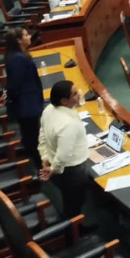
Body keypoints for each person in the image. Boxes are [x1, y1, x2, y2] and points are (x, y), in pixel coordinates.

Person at [38, 80, 90, 218]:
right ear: (64, 101)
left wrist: (44, 156)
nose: (79, 94)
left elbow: (43, 134)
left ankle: (73, 223)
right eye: (74, 93)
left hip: (56, 163)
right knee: (75, 202)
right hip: (72, 170)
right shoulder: (68, 124)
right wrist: (53, 169)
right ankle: (73, 227)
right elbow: (63, 155)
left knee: (68, 198)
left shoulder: (48, 110)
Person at [4, 27, 44, 164]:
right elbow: (15, 83)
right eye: (26, 35)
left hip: (28, 101)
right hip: (26, 104)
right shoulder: (18, 59)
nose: (29, 37)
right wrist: (8, 95)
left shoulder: (18, 55)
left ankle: (36, 162)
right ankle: (38, 166)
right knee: (32, 137)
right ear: (19, 40)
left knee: (31, 134)